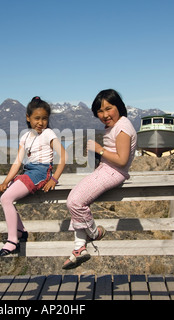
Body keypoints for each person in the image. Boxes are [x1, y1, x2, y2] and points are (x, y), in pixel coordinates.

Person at [63, 89, 137, 269]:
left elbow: (121, 160)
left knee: (74, 201)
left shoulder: (123, 128)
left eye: (109, 109)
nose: (104, 115)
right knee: (78, 200)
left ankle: (95, 233)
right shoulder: (116, 126)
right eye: (100, 111)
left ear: (118, 106)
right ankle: (79, 248)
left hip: (113, 172)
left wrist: (99, 149)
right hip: (106, 169)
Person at [0, 96, 67, 257]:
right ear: (28, 118)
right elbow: (17, 162)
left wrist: (54, 179)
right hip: (28, 171)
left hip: (41, 172)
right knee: (7, 195)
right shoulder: (25, 137)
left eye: (44, 119)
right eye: (36, 118)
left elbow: (64, 156)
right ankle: (20, 231)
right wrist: (5, 182)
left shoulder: (48, 133)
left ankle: (12, 240)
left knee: (5, 199)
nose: (40, 122)